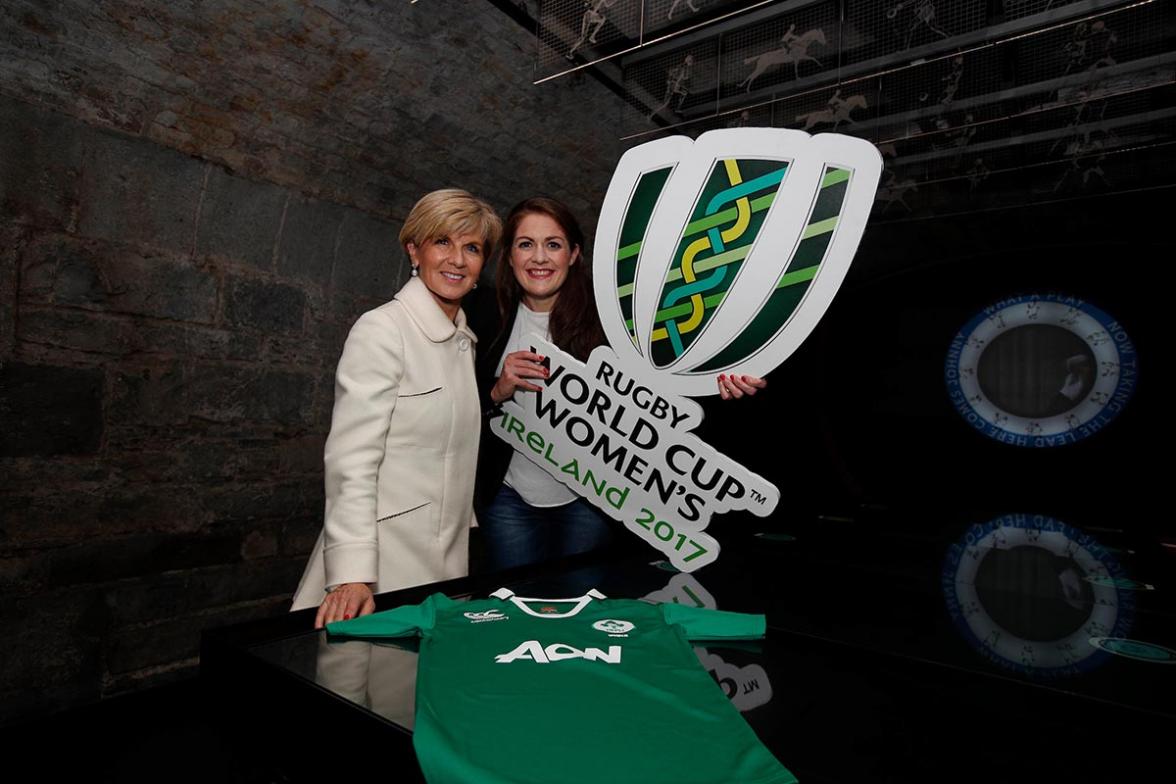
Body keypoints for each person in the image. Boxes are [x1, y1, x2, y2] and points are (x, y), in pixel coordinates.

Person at [471, 197, 764, 571]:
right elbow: (458, 400)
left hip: (590, 502)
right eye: (526, 244)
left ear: (574, 254)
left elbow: (665, 383)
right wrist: (499, 389)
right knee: (514, 606)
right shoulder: (484, 315)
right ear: (509, 256)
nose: (539, 258)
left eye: (554, 244)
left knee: (582, 610)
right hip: (508, 500)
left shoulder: (612, 323)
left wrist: (722, 381)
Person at [291, 189, 502, 628]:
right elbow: (352, 460)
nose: (457, 260)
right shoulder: (382, 329)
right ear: (414, 249)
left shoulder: (464, 341)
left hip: (445, 562)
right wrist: (351, 574)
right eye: (443, 242)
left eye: (472, 248)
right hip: (384, 564)